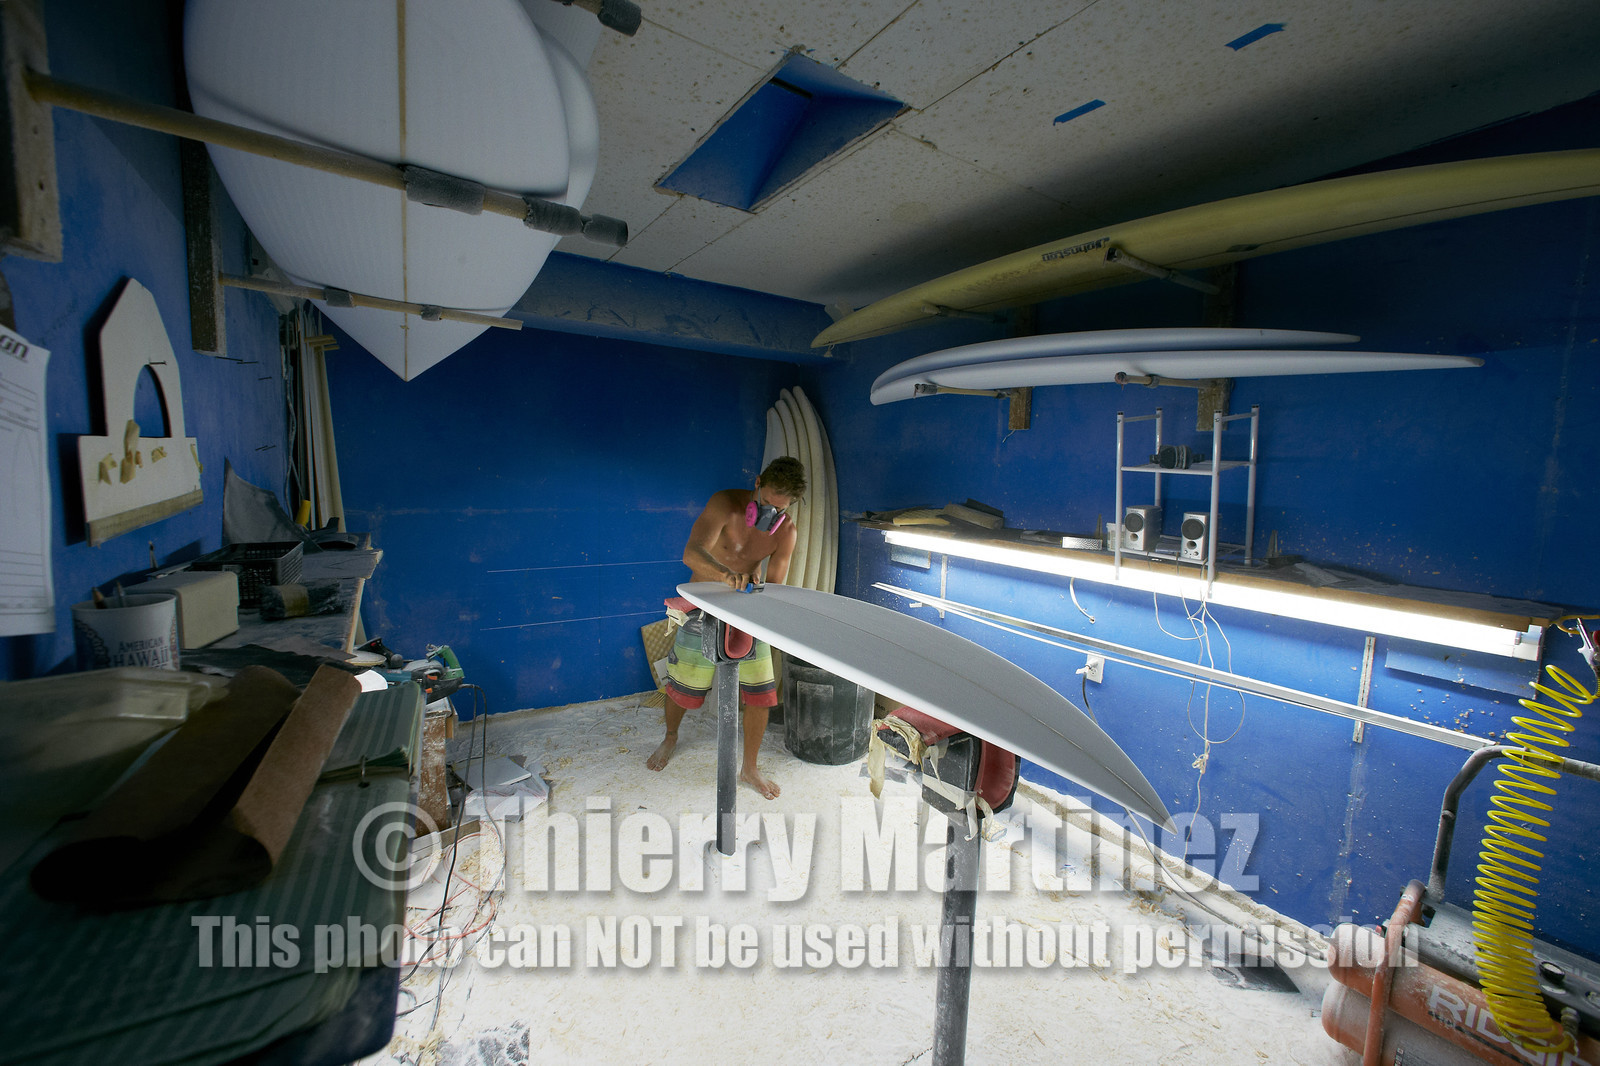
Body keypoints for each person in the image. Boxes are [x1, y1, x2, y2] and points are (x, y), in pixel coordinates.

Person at [646, 456, 807, 799]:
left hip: (746, 610)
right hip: (702, 602)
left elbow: (777, 584)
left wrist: (764, 592)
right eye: (765, 505)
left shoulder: (787, 531)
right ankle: (671, 736)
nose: (770, 516)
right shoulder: (725, 504)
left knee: (762, 694)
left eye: (779, 510)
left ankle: (749, 768)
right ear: (758, 483)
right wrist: (724, 576)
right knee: (682, 688)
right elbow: (691, 553)